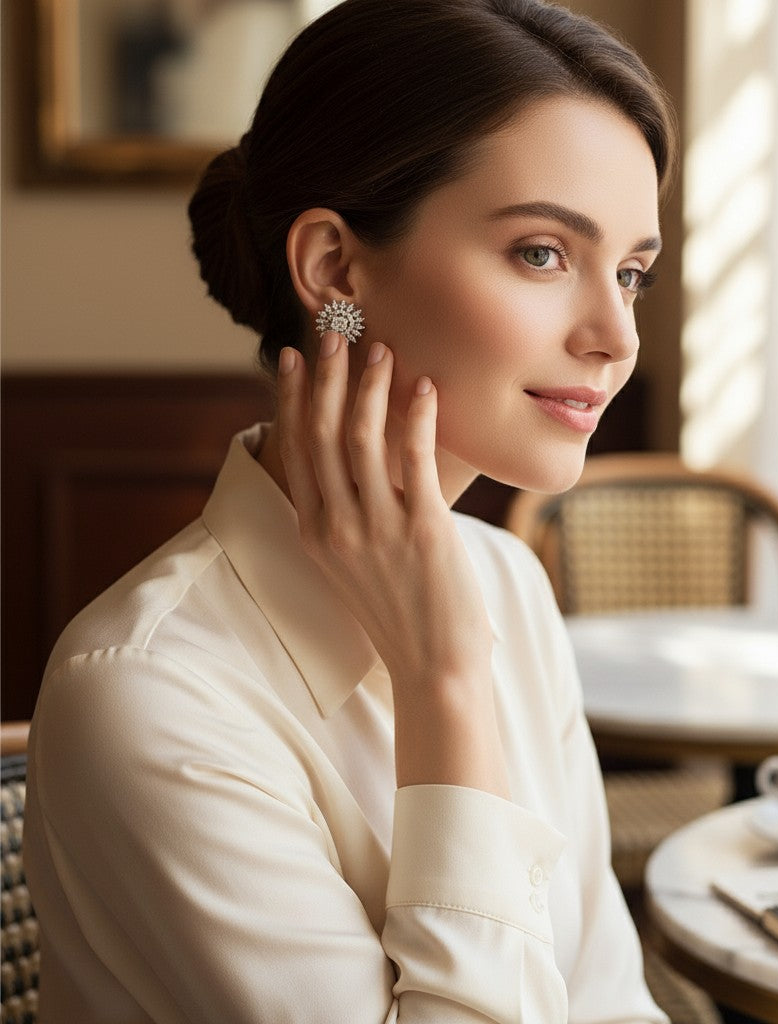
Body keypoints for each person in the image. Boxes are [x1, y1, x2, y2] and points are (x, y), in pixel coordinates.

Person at [23, 1, 676, 1020]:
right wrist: (443, 682)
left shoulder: (506, 579)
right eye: (543, 253)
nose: (615, 335)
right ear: (333, 269)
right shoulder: (150, 691)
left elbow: (604, 998)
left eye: (631, 271)